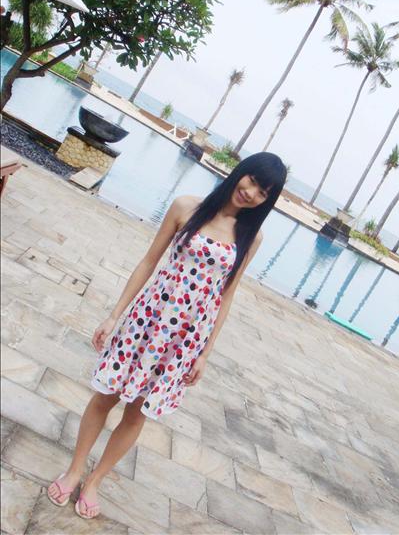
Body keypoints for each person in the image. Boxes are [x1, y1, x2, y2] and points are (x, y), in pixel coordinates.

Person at [47, 151, 287, 519]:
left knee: (137, 412)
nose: (252, 193)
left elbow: (226, 296)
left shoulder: (250, 238)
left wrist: (204, 353)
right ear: (241, 173)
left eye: (263, 192)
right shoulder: (187, 207)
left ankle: (95, 481)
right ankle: (75, 470)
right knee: (106, 396)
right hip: (147, 320)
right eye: (252, 181)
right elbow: (149, 261)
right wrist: (114, 315)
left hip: (184, 340)